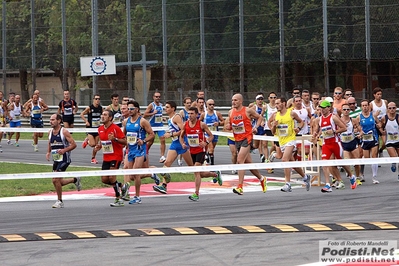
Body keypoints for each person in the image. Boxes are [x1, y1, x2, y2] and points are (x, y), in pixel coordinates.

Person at [224, 94, 267, 195]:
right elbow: (231, 125)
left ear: (240, 101)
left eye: (235, 100)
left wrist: (256, 126)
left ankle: (240, 187)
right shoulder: (230, 112)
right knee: (248, 164)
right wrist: (228, 127)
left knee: (240, 160)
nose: (233, 102)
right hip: (237, 139)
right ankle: (261, 179)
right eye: (232, 100)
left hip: (247, 138)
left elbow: (259, 117)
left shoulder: (247, 110)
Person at [179, 107, 222, 201]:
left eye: (192, 114)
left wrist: (206, 142)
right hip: (192, 151)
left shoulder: (201, 124)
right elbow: (181, 136)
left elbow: (211, 136)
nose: (190, 115)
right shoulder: (185, 124)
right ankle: (215, 174)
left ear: (197, 114)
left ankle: (196, 193)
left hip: (201, 151)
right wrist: (182, 143)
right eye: (189, 114)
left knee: (196, 171)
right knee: (200, 174)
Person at [269, 97, 311, 192]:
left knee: (284, 159)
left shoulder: (291, 113)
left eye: (278, 103)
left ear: (283, 103)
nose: (276, 105)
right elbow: (273, 132)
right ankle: (305, 177)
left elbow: (301, 122)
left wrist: (298, 129)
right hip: (282, 141)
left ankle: (287, 184)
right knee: (292, 163)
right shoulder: (276, 115)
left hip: (291, 140)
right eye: (275, 104)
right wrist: (274, 126)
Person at [314, 100, 356, 193]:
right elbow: (320, 129)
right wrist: (316, 135)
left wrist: (333, 132)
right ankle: (328, 184)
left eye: (324, 108)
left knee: (340, 162)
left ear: (329, 108)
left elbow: (344, 128)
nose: (322, 109)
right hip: (326, 144)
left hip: (335, 143)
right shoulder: (319, 119)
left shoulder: (333, 117)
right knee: (324, 163)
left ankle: (351, 175)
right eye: (321, 108)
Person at [120, 100, 155, 204]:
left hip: (140, 150)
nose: (129, 111)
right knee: (131, 175)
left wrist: (143, 141)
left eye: (131, 109)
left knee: (135, 172)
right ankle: (152, 173)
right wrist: (122, 143)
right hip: (130, 149)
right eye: (128, 109)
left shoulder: (142, 121)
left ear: (137, 109)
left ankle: (137, 196)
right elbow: (123, 135)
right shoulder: (126, 121)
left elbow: (152, 134)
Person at [46, 114, 81, 208]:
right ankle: (75, 179)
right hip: (56, 159)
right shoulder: (50, 132)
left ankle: (60, 201)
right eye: (50, 120)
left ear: (59, 121)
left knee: (56, 179)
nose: (51, 121)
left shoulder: (64, 132)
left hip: (65, 159)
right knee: (56, 181)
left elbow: (74, 145)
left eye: (53, 120)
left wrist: (64, 150)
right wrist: (48, 152)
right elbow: (50, 142)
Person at [94, 110, 127, 207]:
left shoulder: (116, 128)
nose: (102, 116)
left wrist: (115, 139)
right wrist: (99, 146)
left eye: (105, 115)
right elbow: (103, 141)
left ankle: (118, 198)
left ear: (110, 118)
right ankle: (122, 186)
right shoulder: (100, 129)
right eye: (102, 114)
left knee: (112, 177)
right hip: (106, 157)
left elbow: (125, 142)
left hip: (116, 155)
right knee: (104, 179)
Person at [355, 99, 381, 184]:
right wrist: (360, 132)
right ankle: (362, 174)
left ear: (369, 106)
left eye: (366, 105)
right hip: (365, 140)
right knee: (366, 158)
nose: (365, 107)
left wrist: (378, 124)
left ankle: (374, 177)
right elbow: (357, 126)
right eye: (363, 106)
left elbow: (379, 124)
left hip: (373, 139)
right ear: (361, 107)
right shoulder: (359, 117)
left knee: (374, 157)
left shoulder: (373, 115)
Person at [200, 99, 225, 165]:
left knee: (212, 149)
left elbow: (224, 121)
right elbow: (198, 122)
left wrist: (218, 123)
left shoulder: (217, 113)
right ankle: (211, 164)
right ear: (206, 105)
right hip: (207, 134)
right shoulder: (204, 114)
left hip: (215, 134)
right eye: (210, 104)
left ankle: (207, 158)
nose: (212, 106)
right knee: (211, 149)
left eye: (213, 104)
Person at [144, 91, 166, 163]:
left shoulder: (161, 105)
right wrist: (153, 113)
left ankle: (162, 156)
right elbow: (145, 114)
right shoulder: (151, 105)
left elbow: (159, 115)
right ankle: (145, 153)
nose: (158, 98)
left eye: (159, 97)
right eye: (156, 97)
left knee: (162, 139)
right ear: (153, 97)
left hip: (160, 125)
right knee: (150, 141)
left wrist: (162, 118)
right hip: (152, 126)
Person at [80, 94, 103, 164]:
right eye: (96, 99)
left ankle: (93, 158)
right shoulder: (89, 108)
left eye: (98, 99)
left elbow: (103, 115)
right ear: (93, 99)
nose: (97, 100)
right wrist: (86, 121)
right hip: (90, 128)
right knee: (93, 144)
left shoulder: (100, 108)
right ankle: (87, 141)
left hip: (97, 128)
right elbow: (81, 114)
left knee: (96, 145)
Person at [380, 102, 399, 180]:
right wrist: (382, 131)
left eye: (393, 108)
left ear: (396, 108)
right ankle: (393, 163)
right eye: (390, 108)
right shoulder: (384, 118)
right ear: (387, 109)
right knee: (394, 158)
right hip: (389, 141)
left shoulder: (398, 117)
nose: (392, 110)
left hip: (398, 140)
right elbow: (380, 126)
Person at [369, 87, 388, 157]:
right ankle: (376, 159)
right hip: (375, 125)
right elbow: (370, 115)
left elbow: (387, 112)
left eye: (380, 94)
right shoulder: (371, 104)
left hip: (383, 124)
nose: (379, 96)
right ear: (374, 95)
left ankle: (381, 150)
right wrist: (375, 117)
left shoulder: (385, 102)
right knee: (376, 144)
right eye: (378, 94)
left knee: (385, 142)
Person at [249, 93, 266, 162]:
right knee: (257, 144)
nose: (260, 100)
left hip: (264, 127)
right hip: (256, 127)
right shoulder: (254, 107)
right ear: (256, 100)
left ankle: (263, 156)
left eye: (261, 99)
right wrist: (257, 117)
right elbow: (249, 115)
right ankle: (250, 148)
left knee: (264, 143)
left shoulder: (265, 107)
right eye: (258, 99)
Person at [177, 96, 192, 166]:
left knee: (190, 145)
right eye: (187, 103)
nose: (189, 104)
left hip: (191, 130)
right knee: (183, 145)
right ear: (184, 104)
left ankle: (191, 159)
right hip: (184, 130)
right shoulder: (182, 111)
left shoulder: (192, 111)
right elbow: (178, 120)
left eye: (190, 103)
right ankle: (180, 159)